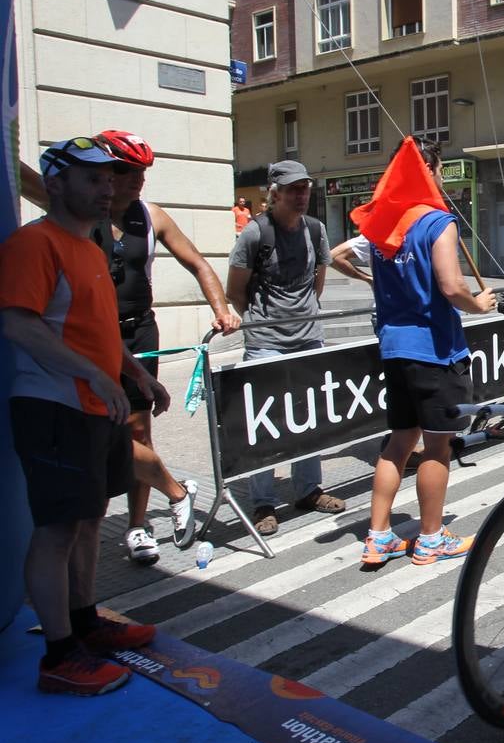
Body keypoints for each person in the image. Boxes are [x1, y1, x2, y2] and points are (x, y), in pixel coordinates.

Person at [0, 138, 170, 695]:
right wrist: (93, 375)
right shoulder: (35, 243)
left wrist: (135, 374)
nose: (107, 189)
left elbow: (99, 330)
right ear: (55, 184)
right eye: (92, 179)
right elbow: (18, 323)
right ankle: (58, 654)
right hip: (55, 409)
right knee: (57, 531)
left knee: (91, 519)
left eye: (109, 180)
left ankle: (85, 622)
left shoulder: (91, 249)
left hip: (98, 408)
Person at [91, 130, 241, 564]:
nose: (135, 179)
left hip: (138, 333)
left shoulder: (151, 216)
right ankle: (176, 490)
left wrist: (221, 309)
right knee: (105, 431)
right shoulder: (83, 215)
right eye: (125, 170)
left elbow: (197, 263)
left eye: (141, 172)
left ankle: (137, 528)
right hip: (94, 336)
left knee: (138, 431)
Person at [353, 138, 496, 566]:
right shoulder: (437, 221)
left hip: (394, 347)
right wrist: (479, 304)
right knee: (438, 448)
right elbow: (452, 287)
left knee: (398, 442)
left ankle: (378, 537)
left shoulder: (382, 224)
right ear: (428, 171)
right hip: (435, 349)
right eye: (439, 169)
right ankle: (430, 538)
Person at [226, 159, 345, 536]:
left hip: (309, 337)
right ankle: (263, 502)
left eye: (305, 187)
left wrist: (302, 319)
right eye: (293, 189)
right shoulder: (254, 234)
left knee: (310, 416)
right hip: (266, 343)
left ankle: (308, 490)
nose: (301, 195)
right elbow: (234, 291)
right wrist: (264, 324)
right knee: (264, 422)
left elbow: (317, 283)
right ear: (274, 194)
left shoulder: (315, 229)